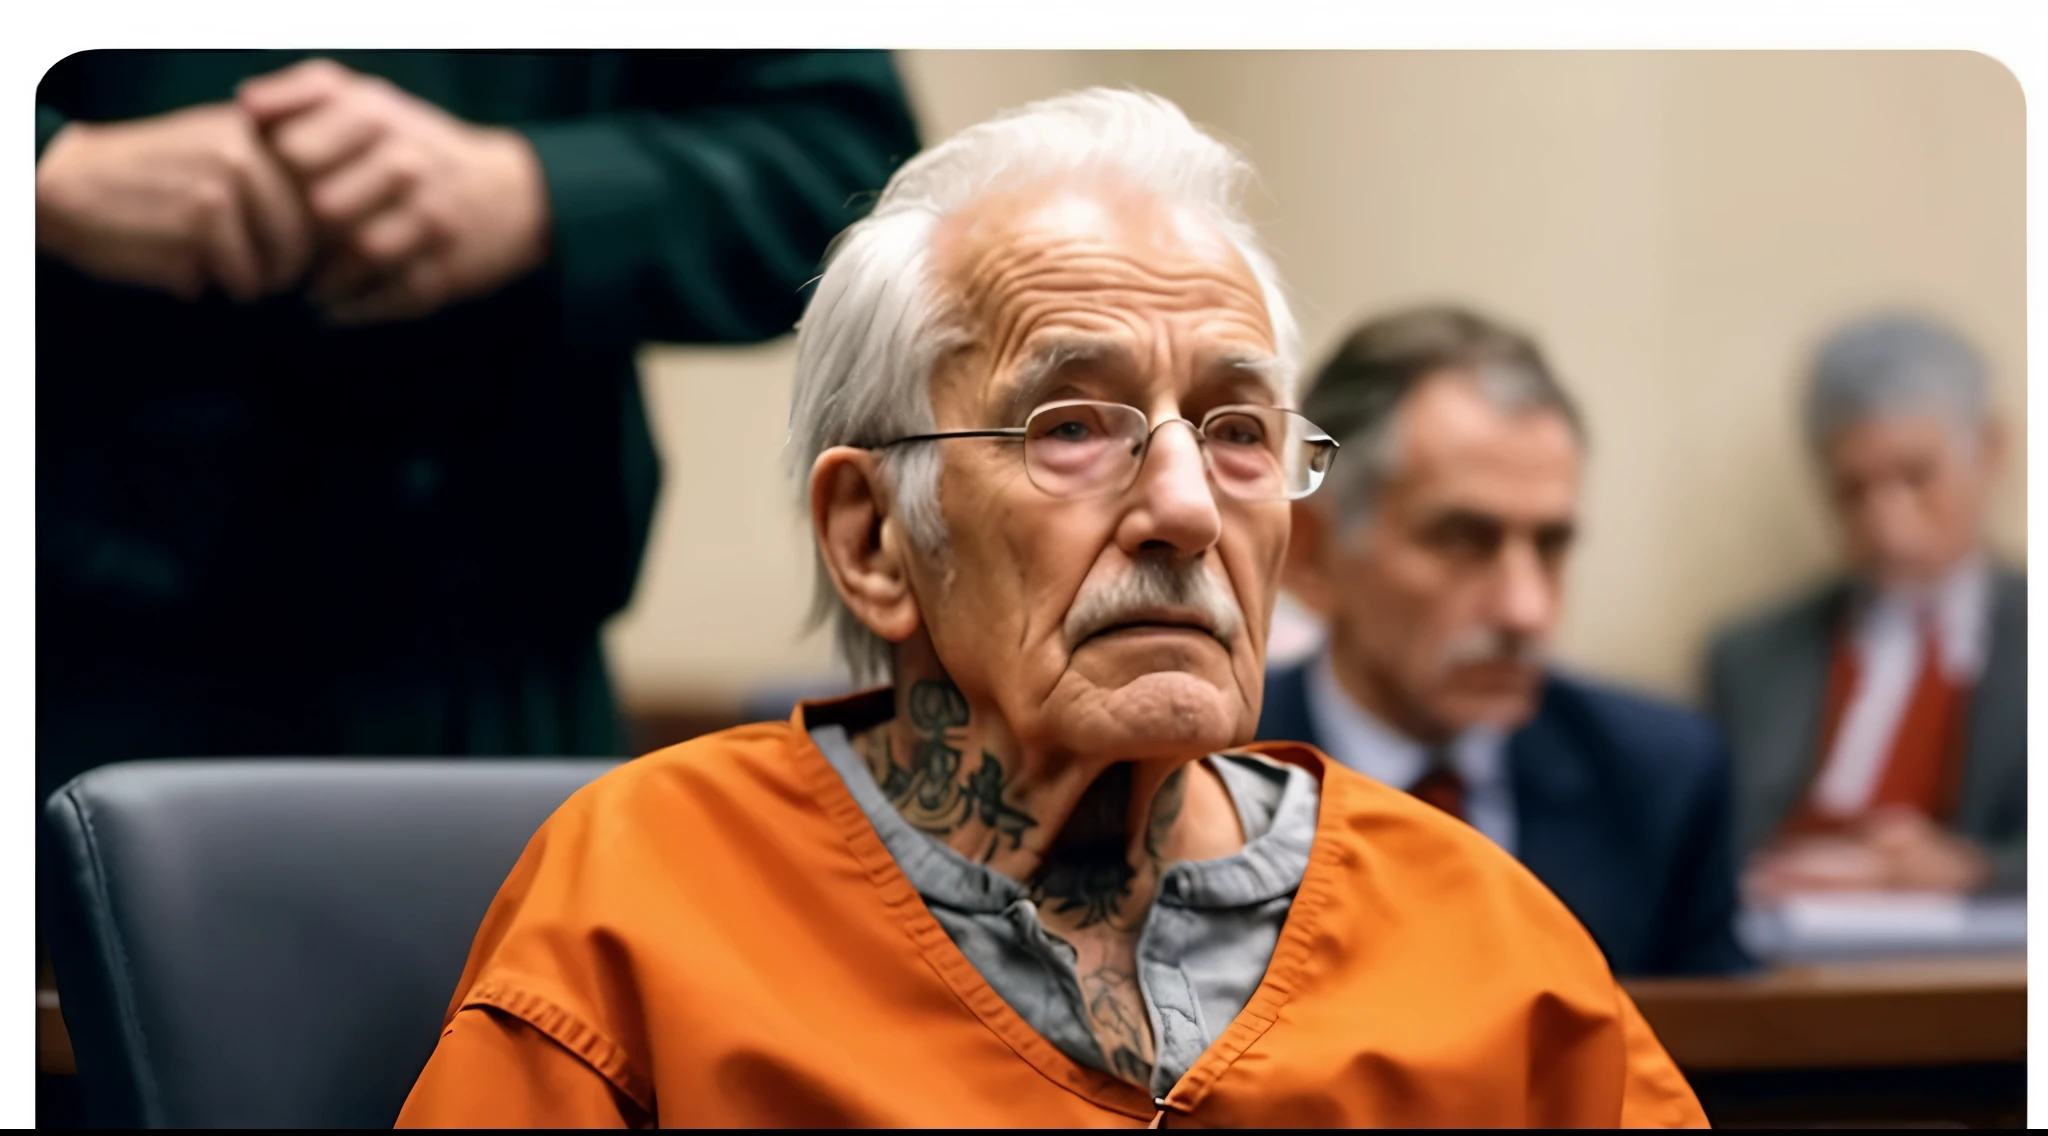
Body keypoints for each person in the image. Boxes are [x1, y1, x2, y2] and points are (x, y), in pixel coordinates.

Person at [395, 90, 1705, 1128]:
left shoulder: (1484, 942)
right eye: (1075, 424)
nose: (1188, 508)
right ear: (872, 537)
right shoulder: (646, 904)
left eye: (1239, 432)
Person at [34, 50, 919, 805]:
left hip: (493, 647)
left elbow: (842, 154)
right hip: (70, 646)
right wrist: (48, 171)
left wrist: (538, 193)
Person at [1256, 305, 1750, 978]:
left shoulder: (1659, 780)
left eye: (1550, 546)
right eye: (1462, 540)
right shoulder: (1200, 777)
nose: (1525, 610)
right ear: (1311, 554)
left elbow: (1717, 1068)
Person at [1706, 314, 2024, 900]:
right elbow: (1709, 840)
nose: (1886, 524)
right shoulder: (1751, 657)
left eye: (1917, 476)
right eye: (1853, 490)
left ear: (1990, 452)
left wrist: (1975, 871)